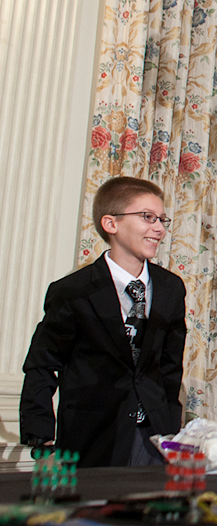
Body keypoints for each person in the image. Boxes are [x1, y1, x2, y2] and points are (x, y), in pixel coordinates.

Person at [20, 177, 187, 466]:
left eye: (162, 219)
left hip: (154, 438)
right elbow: (42, 366)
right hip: (92, 438)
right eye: (147, 217)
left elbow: (170, 368)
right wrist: (42, 440)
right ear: (111, 224)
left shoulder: (171, 288)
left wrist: (172, 431)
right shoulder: (73, 291)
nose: (158, 228)